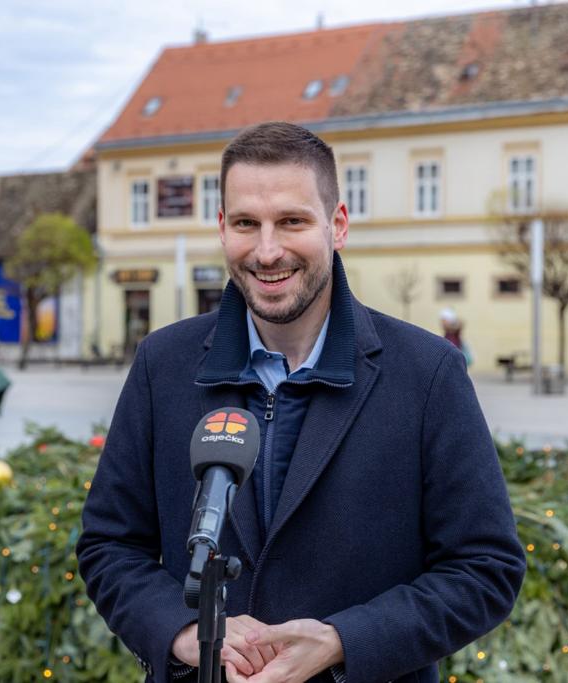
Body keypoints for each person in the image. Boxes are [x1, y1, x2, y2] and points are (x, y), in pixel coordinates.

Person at [77, 122, 525, 683]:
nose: (267, 251)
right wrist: (187, 633)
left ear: (337, 225)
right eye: (246, 224)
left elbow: (487, 569)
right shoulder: (162, 364)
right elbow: (108, 545)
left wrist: (342, 641)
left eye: (292, 221)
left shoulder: (427, 373)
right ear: (222, 228)